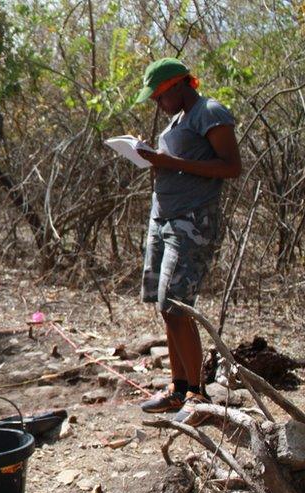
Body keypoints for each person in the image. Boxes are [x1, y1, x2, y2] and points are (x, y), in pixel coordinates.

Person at [132, 58, 242, 423]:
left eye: (159, 96)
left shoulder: (209, 111)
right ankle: (178, 388)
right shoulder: (177, 120)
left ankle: (197, 393)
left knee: (178, 303)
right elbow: (177, 160)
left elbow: (231, 166)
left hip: (192, 220)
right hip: (162, 218)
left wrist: (167, 160)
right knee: (166, 305)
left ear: (179, 85)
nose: (156, 104)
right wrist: (154, 157)